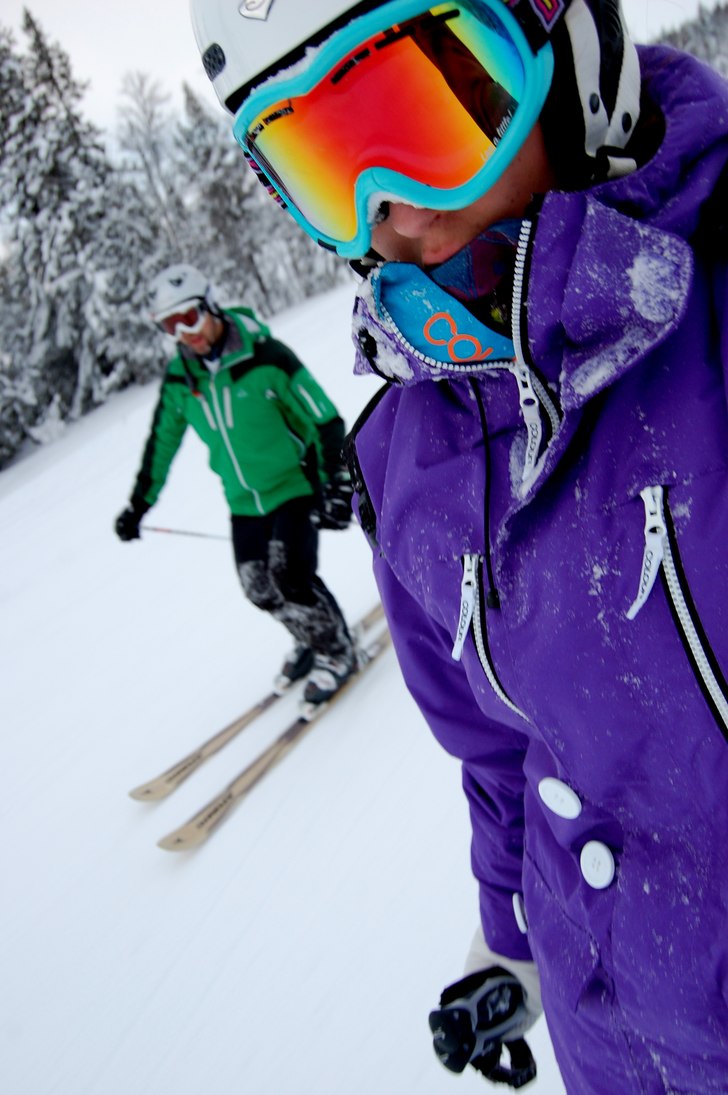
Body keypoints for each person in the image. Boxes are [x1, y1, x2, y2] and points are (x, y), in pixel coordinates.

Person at [189, 1, 728, 1090]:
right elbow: (499, 757)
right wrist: (510, 936)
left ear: (565, 54)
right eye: (318, 161)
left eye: (416, 109)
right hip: (611, 1045)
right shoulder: (402, 453)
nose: (385, 209)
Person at [115, 263, 356, 705]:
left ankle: (336, 651)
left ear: (210, 306)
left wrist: (336, 484)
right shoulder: (181, 380)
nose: (183, 333)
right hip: (243, 499)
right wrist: (138, 504)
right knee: (259, 588)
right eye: (170, 325)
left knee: (292, 579)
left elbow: (325, 419)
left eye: (188, 317)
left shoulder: (266, 357)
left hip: (295, 484)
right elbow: (161, 443)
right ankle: (308, 633)